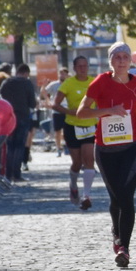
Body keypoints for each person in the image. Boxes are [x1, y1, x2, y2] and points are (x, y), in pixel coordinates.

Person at [71, 42, 136, 267]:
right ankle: (116, 232)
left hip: (132, 146)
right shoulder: (101, 82)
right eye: (117, 57)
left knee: (126, 196)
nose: (122, 61)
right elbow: (82, 112)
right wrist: (108, 111)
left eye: (125, 57)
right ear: (111, 61)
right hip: (106, 149)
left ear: (131, 61)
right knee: (116, 197)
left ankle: (124, 248)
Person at [56, 55, 99, 209]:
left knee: (89, 160)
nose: (82, 68)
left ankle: (86, 196)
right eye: (79, 66)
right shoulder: (68, 83)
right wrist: (70, 112)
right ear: (74, 68)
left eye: (85, 65)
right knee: (77, 162)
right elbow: (56, 104)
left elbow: (101, 102)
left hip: (90, 126)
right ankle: (73, 184)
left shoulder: (94, 82)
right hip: (72, 126)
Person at [0, 62, 39, 180]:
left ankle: (8, 174)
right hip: (23, 117)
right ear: (26, 73)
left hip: (8, 117)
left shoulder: (6, 82)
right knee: (19, 145)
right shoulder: (27, 83)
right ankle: (16, 174)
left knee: (10, 145)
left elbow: (0, 97)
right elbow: (32, 103)